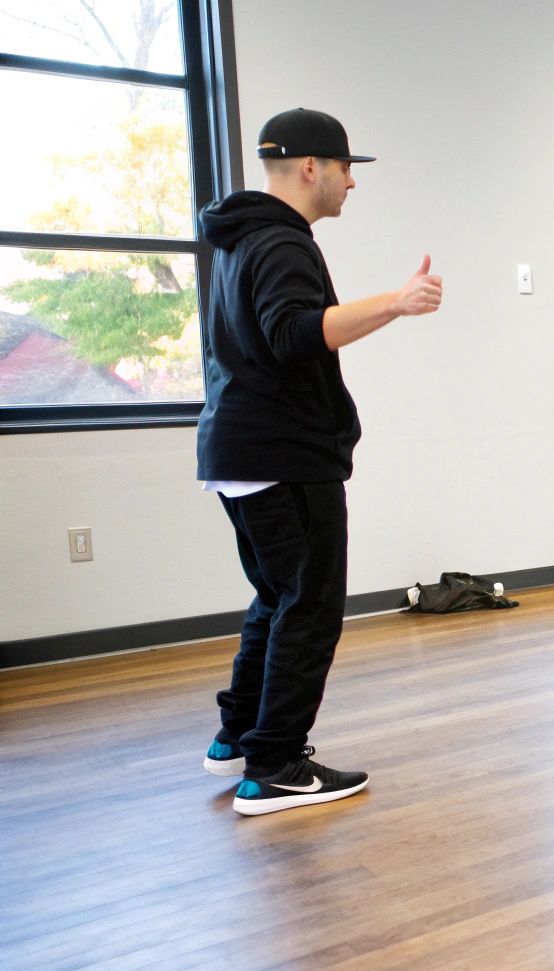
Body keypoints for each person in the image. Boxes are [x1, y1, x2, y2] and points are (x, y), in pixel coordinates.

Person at [196, 108, 442, 816]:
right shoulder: (279, 242)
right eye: (345, 169)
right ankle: (274, 764)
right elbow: (292, 333)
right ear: (311, 167)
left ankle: (238, 738)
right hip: (282, 454)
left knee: (278, 596)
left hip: (240, 449)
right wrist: (394, 303)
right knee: (308, 605)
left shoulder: (241, 238)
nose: (350, 185)